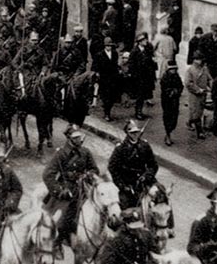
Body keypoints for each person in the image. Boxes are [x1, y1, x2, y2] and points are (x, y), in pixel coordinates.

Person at [43, 126, 99, 259]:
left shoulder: (85, 152)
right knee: (63, 218)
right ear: (69, 139)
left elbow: (95, 169)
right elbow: (48, 175)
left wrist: (88, 175)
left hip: (84, 187)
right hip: (67, 189)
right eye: (75, 138)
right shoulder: (61, 154)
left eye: (79, 137)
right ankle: (57, 243)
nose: (78, 140)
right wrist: (60, 191)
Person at [108, 120, 158, 209]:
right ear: (127, 133)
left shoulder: (145, 145)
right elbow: (112, 168)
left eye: (137, 132)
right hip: (127, 183)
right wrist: (121, 185)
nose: (135, 135)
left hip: (144, 181)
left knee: (160, 195)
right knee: (125, 207)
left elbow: (153, 165)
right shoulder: (120, 148)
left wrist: (147, 176)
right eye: (132, 132)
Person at [128, 33, 156, 120]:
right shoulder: (134, 51)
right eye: (144, 40)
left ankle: (140, 111)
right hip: (138, 78)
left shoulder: (147, 50)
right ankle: (138, 112)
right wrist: (134, 76)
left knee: (144, 95)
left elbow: (150, 63)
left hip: (146, 77)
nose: (146, 41)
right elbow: (131, 65)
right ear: (139, 42)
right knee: (139, 96)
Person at [92, 37, 120, 122]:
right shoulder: (99, 55)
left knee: (112, 97)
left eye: (110, 46)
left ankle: (109, 111)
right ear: (104, 46)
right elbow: (95, 66)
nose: (109, 47)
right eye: (107, 46)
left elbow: (115, 65)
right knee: (106, 97)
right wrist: (97, 73)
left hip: (113, 78)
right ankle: (106, 113)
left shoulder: (115, 54)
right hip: (104, 79)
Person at [185, 52, 212, 139]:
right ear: (195, 60)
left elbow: (209, 79)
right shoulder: (190, 70)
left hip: (203, 94)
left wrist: (211, 88)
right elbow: (188, 83)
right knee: (196, 112)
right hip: (194, 95)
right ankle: (200, 132)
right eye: (199, 59)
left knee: (198, 111)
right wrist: (198, 90)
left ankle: (189, 122)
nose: (201, 61)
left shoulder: (205, 69)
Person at [160, 60, 183, 146]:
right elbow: (164, 88)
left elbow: (181, 86)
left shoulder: (177, 76)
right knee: (168, 117)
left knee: (174, 118)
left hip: (175, 100)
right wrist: (171, 92)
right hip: (167, 101)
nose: (173, 71)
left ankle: (170, 131)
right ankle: (168, 134)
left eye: (175, 69)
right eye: (172, 69)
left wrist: (177, 91)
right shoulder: (165, 77)